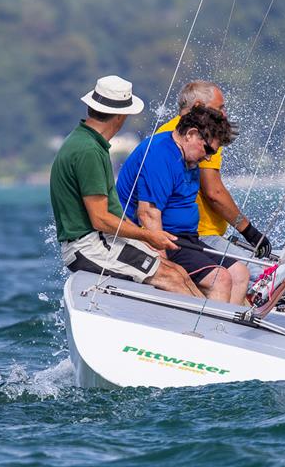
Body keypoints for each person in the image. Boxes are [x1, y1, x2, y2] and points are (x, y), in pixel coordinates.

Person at [49, 75, 202, 298]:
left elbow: (112, 213)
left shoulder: (87, 142)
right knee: (172, 278)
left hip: (101, 240)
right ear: (121, 116)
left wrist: (143, 238)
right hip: (89, 246)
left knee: (177, 272)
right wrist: (148, 236)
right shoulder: (88, 150)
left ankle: (213, 320)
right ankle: (203, 328)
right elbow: (100, 219)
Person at [116, 105, 243, 304]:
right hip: (160, 238)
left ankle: (226, 330)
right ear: (191, 134)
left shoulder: (188, 155)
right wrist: (165, 268)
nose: (208, 157)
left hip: (186, 239)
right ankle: (209, 330)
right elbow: (148, 214)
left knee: (239, 273)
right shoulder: (160, 153)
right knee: (221, 279)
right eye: (207, 149)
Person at [157, 81, 272, 280]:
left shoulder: (168, 130)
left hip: (190, 233)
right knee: (259, 275)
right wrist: (249, 232)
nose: (225, 114)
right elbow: (214, 193)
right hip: (199, 234)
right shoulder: (199, 137)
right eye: (220, 108)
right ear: (199, 107)